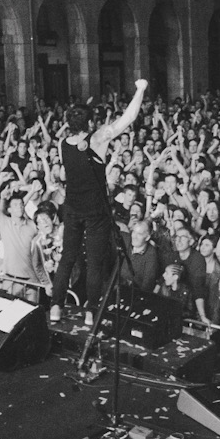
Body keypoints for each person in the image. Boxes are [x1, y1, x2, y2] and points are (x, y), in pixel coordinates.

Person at [49, 79, 147, 323]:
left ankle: (55, 307)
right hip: (95, 211)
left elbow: (65, 174)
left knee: (67, 258)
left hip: (72, 208)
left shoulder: (63, 144)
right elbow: (129, 118)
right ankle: (91, 312)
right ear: (90, 123)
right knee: (94, 263)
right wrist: (140, 89)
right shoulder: (98, 139)